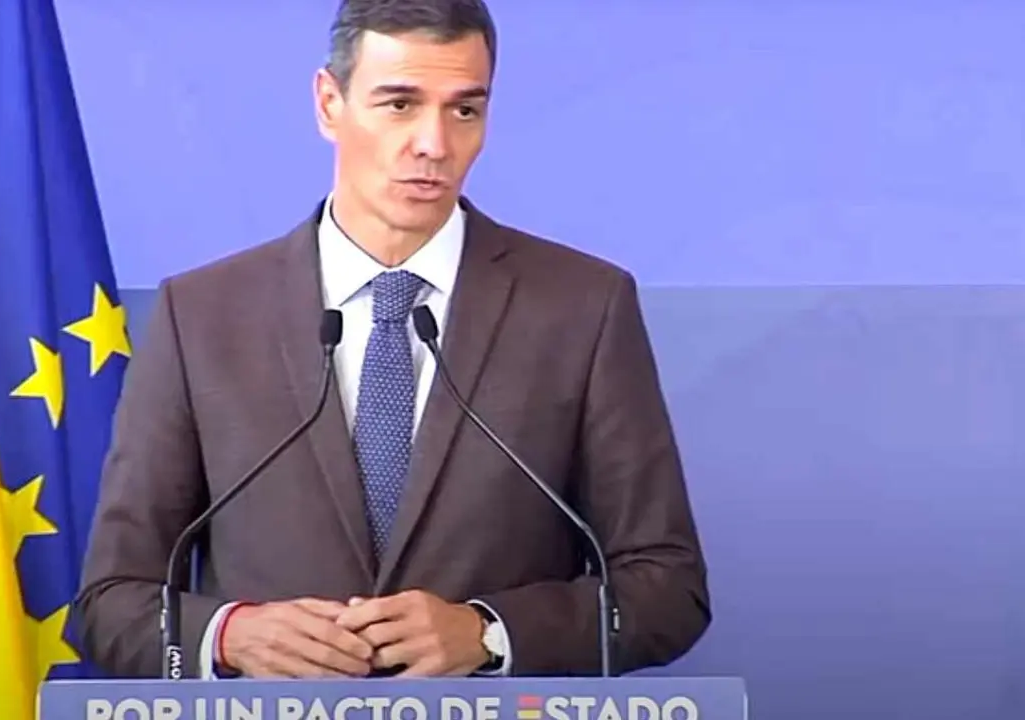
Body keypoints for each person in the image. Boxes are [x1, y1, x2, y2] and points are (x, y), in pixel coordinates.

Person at [76, 0, 710, 679]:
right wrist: (230, 636)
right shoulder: (201, 315)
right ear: (329, 103)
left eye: (464, 109)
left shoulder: (584, 307)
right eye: (400, 105)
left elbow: (668, 589)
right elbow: (110, 604)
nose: (434, 144)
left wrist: (490, 634)